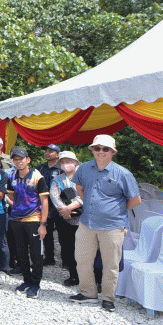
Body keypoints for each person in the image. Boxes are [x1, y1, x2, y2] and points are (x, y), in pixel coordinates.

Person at [69, 134, 141, 312]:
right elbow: (79, 188)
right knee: (82, 260)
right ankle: (88, 294)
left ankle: (108, 299)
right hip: (87, 223)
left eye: (105, 149)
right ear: (92, 149)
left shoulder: (123, 173)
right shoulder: (84, 168)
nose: (101, 152)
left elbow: (136, 200)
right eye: (97, 148)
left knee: (111, 265)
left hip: (113, 227)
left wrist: (115, 212)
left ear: (113, 152)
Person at [7, 146, 49, 299]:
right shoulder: (11, 176)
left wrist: (43, 224)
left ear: (28, 160)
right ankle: (26, 280)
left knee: (36, 253)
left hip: (34, 219)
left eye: (21, 158)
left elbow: (45, 201)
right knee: (21, 252)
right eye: (15, 159)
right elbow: (10, 195)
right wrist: (17, 207)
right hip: (16, 219)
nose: (18, 162)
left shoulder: (38, 177)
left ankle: (36, 284)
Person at [49, 151, 82, 286]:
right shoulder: (58, 179)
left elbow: (86, 194)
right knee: (68, 248)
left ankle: (90, 278)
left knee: (85, 249)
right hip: (65, 219)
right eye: (62, 162)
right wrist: (64, 210)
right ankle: (74, 275)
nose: (65, 164)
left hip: (83, 219)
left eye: (68, 161)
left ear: (75, 162)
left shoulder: (83, 177)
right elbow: (54, 196)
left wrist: (71, 207)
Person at [36, 144, 61, 266]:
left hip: (59, 204)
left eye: (51, 151)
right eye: (46, 151)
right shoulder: (40, 168)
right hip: (44, 205)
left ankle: (67, 259)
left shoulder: (62, 168)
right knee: (47, 232)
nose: (47, 153)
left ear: (57, 154)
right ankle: (49, 257)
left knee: (63, 234)